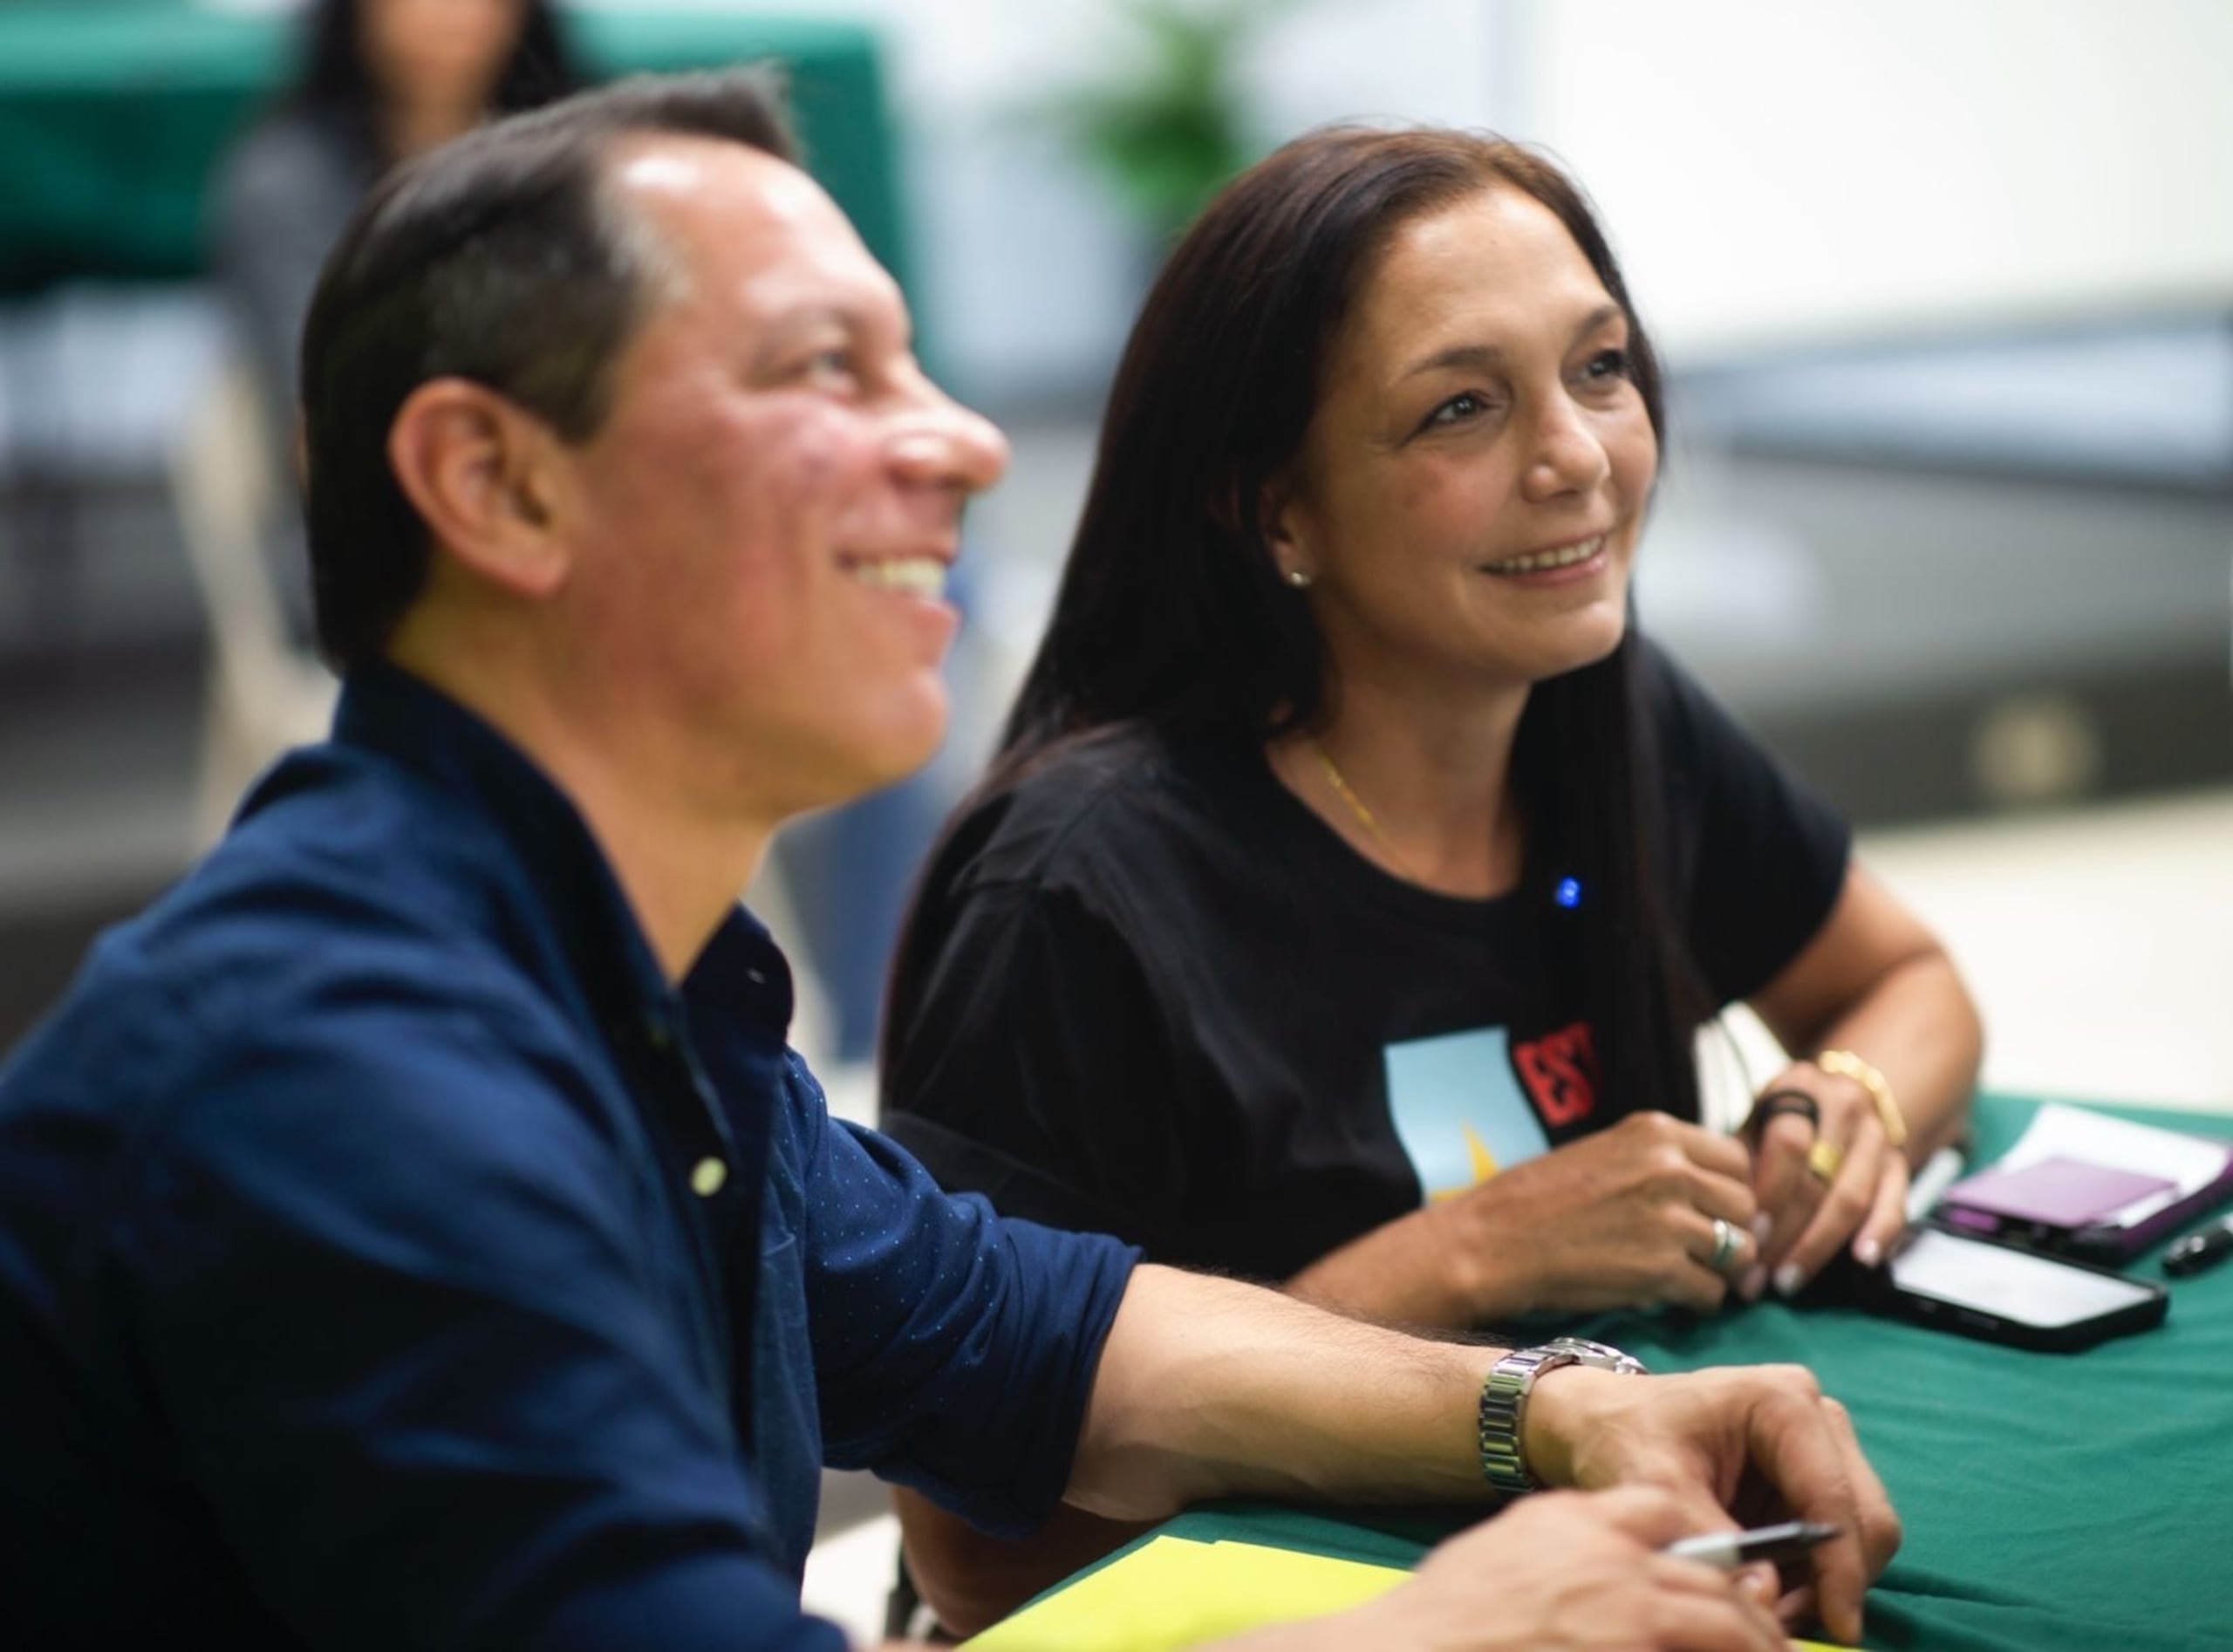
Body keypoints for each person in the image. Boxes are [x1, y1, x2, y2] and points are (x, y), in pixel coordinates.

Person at [0, 74, 1898, 1650]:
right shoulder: (343, 1072)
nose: (967, 445)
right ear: (496, 482)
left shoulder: (636, 997)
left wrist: (1564, 1411)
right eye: (828, 369)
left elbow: (1054, 1338)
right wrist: (1431, 1627)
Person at [878, 125, 1981, 1627]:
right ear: (1278, 510)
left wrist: (1845, 1090)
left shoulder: (1612, 711)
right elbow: (971, 1553)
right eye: (1463, 407)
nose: (1579, 454)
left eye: (1601, 368)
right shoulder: (1074, 892)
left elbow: (1901, 978)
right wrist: (1470, 1253)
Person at [209, 0, 583, 630]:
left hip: (568, 512)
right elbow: (323, 438)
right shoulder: (287, 185)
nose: (447, 14)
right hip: (394, 556)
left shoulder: (578, 166)